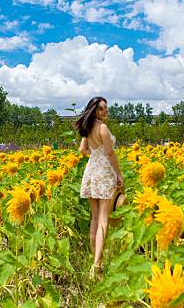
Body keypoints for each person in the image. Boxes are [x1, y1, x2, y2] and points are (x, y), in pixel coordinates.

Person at [74, 96, 124, 279]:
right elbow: (110, 153)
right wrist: (119, 174)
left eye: (106, 108)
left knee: (94, 218)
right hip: (104, 173)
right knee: (103, 218)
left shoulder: (87, 129)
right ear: (95, 110)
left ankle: (94, 259)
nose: (106, 111)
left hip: (91, 172)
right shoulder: (102, 128)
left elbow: (82, 150)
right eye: (102, 109)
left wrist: (96, 156)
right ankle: (97, 264)